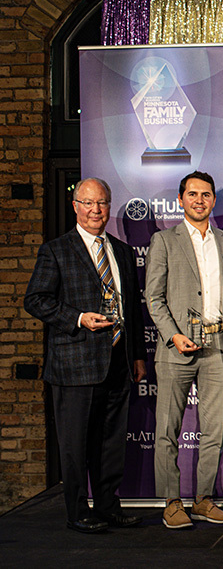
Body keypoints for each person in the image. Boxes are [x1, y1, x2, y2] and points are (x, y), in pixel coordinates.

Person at [24, 178, 146, 534]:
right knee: (75, 445)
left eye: (102, 203)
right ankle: (77, 511)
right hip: (75, 364)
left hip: (118, 361)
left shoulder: (121, 251)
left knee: (111, 443)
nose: (96, 210)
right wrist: (77, 318)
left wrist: (136, 354)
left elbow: (132, 309)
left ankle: (108, 506)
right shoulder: (56, 250)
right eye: (88, 203)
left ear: (109, 206)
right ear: (75, 206)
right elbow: (36, 300)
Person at [147, 171, 223, 529]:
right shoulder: (164, 241)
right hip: (176, 349)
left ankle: (203, 499)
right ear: (180, 199)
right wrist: (173, 335)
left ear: (214, 200)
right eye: (192, 194)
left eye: (205, 195)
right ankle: (172, 502)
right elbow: (154, 298)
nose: (199, 200)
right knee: (167, 429)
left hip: (219, 347)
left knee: (214, 430)